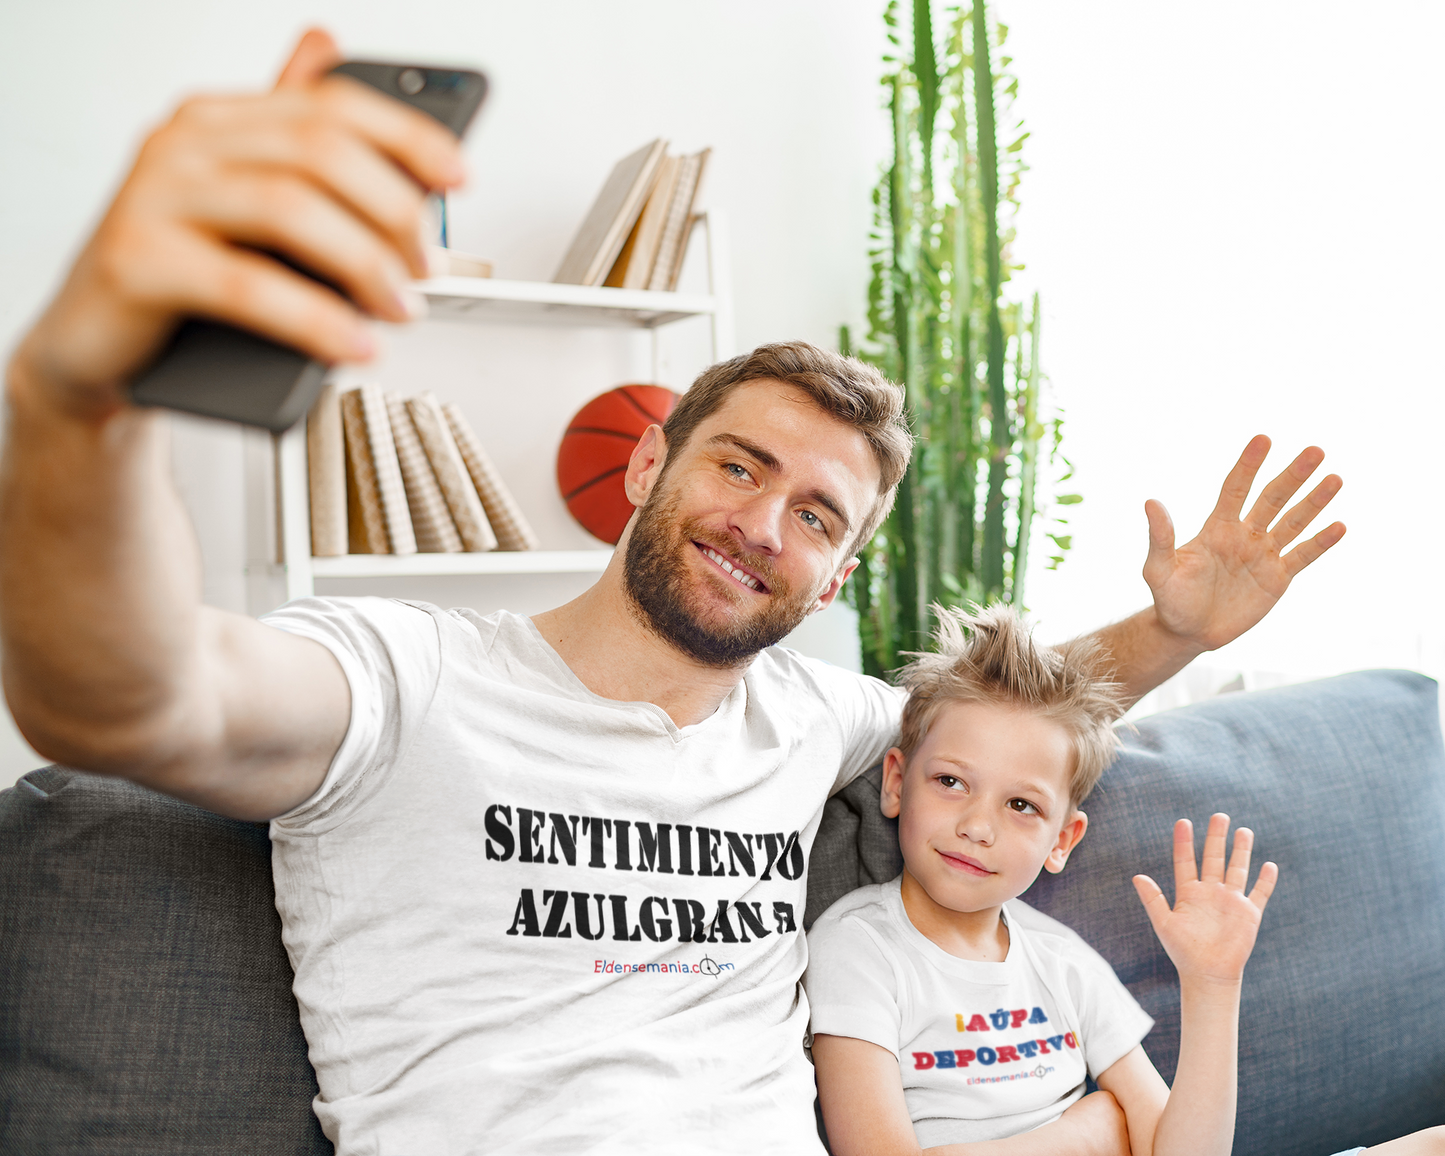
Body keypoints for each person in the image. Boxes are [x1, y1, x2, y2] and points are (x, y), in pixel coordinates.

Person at [0, 27, 1348, 1156]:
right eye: (736, 466)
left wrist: (1173, 628)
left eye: (815, 514)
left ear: (839, 574)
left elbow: (1006, 735)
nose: (763, 525)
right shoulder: (402, 678)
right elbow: (127, 696)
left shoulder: (820, 727)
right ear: (645, 461)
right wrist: (77, 406)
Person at [805, 605, 1444, 1156]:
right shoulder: (861, 947)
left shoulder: (1061, 959)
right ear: (895, 781)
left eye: (1020, 805)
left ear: (1062, 840)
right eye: (950, 782)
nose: (978, 826)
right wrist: (1085, 1136)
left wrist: (1212, 986)